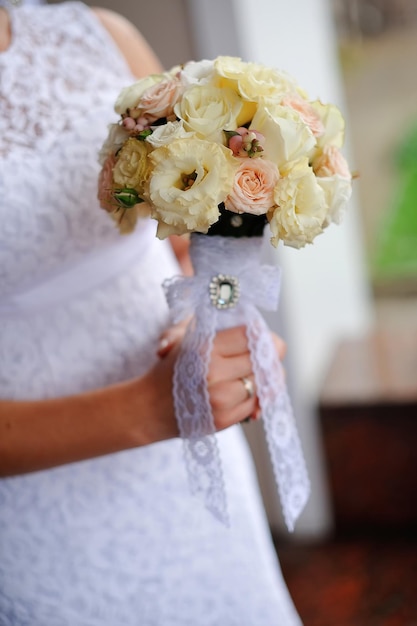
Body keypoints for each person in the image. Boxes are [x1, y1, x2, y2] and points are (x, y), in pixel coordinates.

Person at [0, 2, 303, 624]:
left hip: (188, 468)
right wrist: (150, 408)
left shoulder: (100, 36)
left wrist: (218, 316)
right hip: (36, 509)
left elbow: (204, 244)